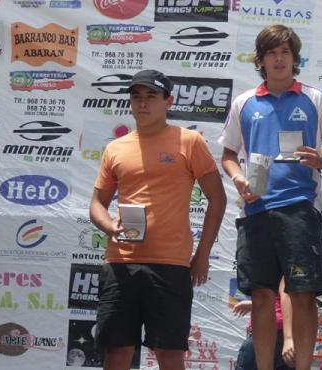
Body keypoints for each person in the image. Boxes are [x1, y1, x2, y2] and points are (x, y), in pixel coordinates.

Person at [219, 24, 322, 370]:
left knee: (302, 294)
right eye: (271, 53)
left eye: (285, 52)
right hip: (256, 210)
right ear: (260, 60)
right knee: (261, 296)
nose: (279, 59)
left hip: (300, 209)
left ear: (295, 58)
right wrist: (239, 179)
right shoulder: (244, 102)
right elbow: (228, 154)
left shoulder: (315, 98)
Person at [89, 69, 226, 370]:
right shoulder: (115, 148)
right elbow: (97, 204)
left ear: (168, 101)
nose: (142, 103)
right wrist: (109, 226)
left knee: (169, 353)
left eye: (151, 96)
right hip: (120, 263)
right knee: (116, 352)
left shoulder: (190, 141)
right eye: (136, 97)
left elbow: (217, 198)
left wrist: (202, 254)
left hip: (170, 264)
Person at [234, 279, 295, 370]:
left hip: (268, 331)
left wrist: (289, 338)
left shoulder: (281, 274)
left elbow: (286, 295)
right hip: (285, 331)